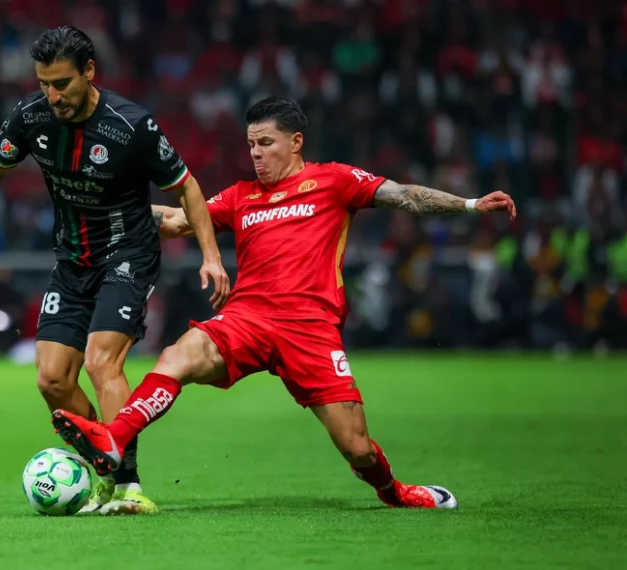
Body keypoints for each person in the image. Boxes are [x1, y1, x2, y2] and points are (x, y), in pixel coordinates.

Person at [52, 96, 517, 509]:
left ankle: (394, 491)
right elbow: (176, 220)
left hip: (309, 329)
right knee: (177, 356)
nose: (256, 154)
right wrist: (100, 204)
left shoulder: (334, 181)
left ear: (296, 142)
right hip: (246, 319)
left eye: (266, 143)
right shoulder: (240, 196)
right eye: (251, 145)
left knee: (357, 448)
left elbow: (404, 197)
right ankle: (114, 439)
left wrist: (470, 205)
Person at [0, 26, 230, 515]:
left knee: (101, 363)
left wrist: (211, 256)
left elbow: (186, 187)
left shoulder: (130, 125)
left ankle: (128, 487)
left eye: (62, 83)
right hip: (71, 259)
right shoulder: (31, 115)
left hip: (128, 254)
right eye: (44, 83)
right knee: (52, 380)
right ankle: (104, 470)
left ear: (89, 72)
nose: (53, 95)